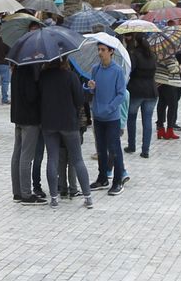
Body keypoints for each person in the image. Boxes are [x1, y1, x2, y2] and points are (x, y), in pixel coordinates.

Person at [38, 58, 93, 208]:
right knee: (77, 159)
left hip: (49, 123)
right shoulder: (70, 76)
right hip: (69, 123)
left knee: (52, 159)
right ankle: (88, 197)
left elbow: (39, 98)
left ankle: (54, 198)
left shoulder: (43, 76)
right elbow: (80, 100)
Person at [88, 43, 128, 193]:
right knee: (101, 149)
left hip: (112, 118)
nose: (100, 53)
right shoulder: (95, 69)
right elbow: (93, 91)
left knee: (114, 149)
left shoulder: (117, 71)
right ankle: (102, 177)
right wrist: (91, 87)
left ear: (111, 52)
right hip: (98, 117)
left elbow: (121, 94)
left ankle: (118, 181)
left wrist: (109, 108)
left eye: (103, 50)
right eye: (99, 50)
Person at [8, 62, 46, 203]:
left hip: (18, 116)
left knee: (17, 153)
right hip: (29, 119)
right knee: (26, 155)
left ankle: (17, 192)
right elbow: (31, 96)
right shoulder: (29, 71)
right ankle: (26, 193)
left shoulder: (16, 70)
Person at [124, 34, 158, 158]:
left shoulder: (134, 55)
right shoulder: (153, 55)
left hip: (136, 90)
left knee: (131, 118)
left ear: (136, 42)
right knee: (147, 120)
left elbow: (129, 71)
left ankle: (131, 145)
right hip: (151, 90)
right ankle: (145, 150)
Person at [155, 45, 181, 141]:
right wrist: (180, 67)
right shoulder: (169, 56)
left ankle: (160, 129)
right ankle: (169, 130)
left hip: (161, 83)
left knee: (162, 105)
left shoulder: (159, 54)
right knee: (172, 106)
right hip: (170, 84)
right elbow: (173, 69)